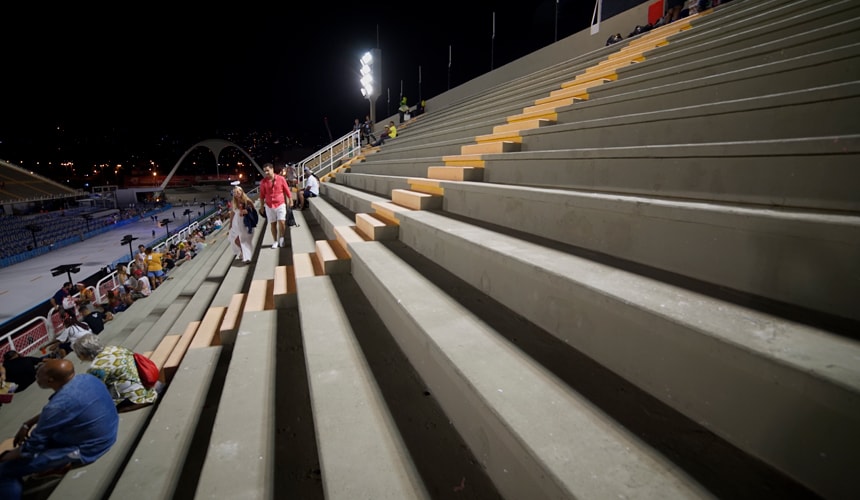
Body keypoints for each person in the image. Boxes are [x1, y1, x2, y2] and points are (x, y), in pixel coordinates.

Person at [0, 359, 118, 499]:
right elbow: (64, 411)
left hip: (90, 448)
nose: (36, 377)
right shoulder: (87, 378)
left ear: (50, 380)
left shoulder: (57, 406)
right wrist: (28, 424)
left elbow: (31, 448)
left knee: (5, 470)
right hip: (108, 430)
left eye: (38, 374)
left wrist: (5, 457)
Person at [72, 334, 158, 413]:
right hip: (144, 385)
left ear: (82, 354)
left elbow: (92, 390)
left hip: (135, 397)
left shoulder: (96, 367)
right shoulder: (115, 348)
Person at [257, 162, 292, 249]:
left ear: (272, 169)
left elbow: (287, 190)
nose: (266, 173)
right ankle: (275, 241)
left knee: (282, 222)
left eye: (267, 170)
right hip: (269, 205)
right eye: (265, 171)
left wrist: (290, 200)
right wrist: (262, 206)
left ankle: (282, 238)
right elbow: (262, 195)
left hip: (280, 203)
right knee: (273, 224)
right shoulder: (263, 182)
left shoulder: (281, 179)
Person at [228, 184, 256, 263]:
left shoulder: (247, 201)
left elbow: (253, 211)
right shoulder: (234, 202)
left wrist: (247, 211)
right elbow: (232, 213)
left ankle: (247, 256)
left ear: (241, 192)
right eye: (235, 192)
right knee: (236, 241)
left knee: (243, 240)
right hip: (236, 223)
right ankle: (243, 252)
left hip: (245, 222)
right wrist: (230, 223)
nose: (236, 194)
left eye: (238, 192)